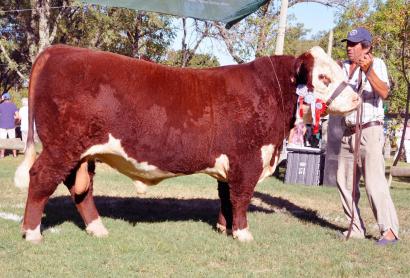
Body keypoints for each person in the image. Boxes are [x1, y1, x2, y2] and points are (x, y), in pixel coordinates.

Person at [336, 27, 399, 245]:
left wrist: (369, 71)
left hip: (370, 130)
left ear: (367, 47)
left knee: (374, 182)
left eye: (354, 44)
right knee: (343, 182)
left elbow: (384, 92)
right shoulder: (342, 68)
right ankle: (355, 229)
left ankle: (389, 231)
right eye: (348, 44)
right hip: (347, 131)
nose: (349, 48)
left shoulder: (378, 63)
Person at [0, 92, 19, 158]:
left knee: (2, 140)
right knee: (13, 140)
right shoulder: (13, 105)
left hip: (2, 126)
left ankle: (2, 155)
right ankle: (15, 155)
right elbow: (17, 116)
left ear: (4, 98)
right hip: (11, 126)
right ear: (9, 98)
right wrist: (15, 123)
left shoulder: (0, 105)